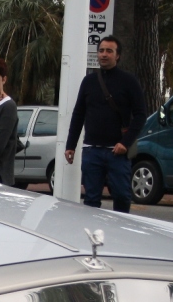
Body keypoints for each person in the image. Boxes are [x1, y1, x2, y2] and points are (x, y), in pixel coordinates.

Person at [63, 36, 147, 211]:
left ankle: (119, 235)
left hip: (117, 153)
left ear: (117, 56)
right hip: (92, 151)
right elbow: (78, 114)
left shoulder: (129, 81)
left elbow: (140, 115)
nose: (104, 54)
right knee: (91, 199)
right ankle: (92, 234)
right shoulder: (89, 82)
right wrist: (70, 145)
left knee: (122, 197)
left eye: (109, 51)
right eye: (101, 50)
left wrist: (126, 143)